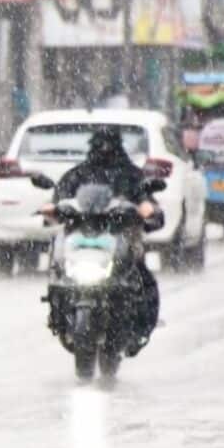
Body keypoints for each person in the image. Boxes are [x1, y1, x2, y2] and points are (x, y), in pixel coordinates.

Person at [43, 125, 161, 351]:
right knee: (58, 266)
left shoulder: (132, 175)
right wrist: (53, 208)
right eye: (100, 146)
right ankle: (58, 312)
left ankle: (141, 324)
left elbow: (145, 198)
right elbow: (61, 196)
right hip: (82, 233)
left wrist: (147, 210)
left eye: (109, 146)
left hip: (119, 234)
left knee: (140, 273)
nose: (104, 151)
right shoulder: (78, 174)